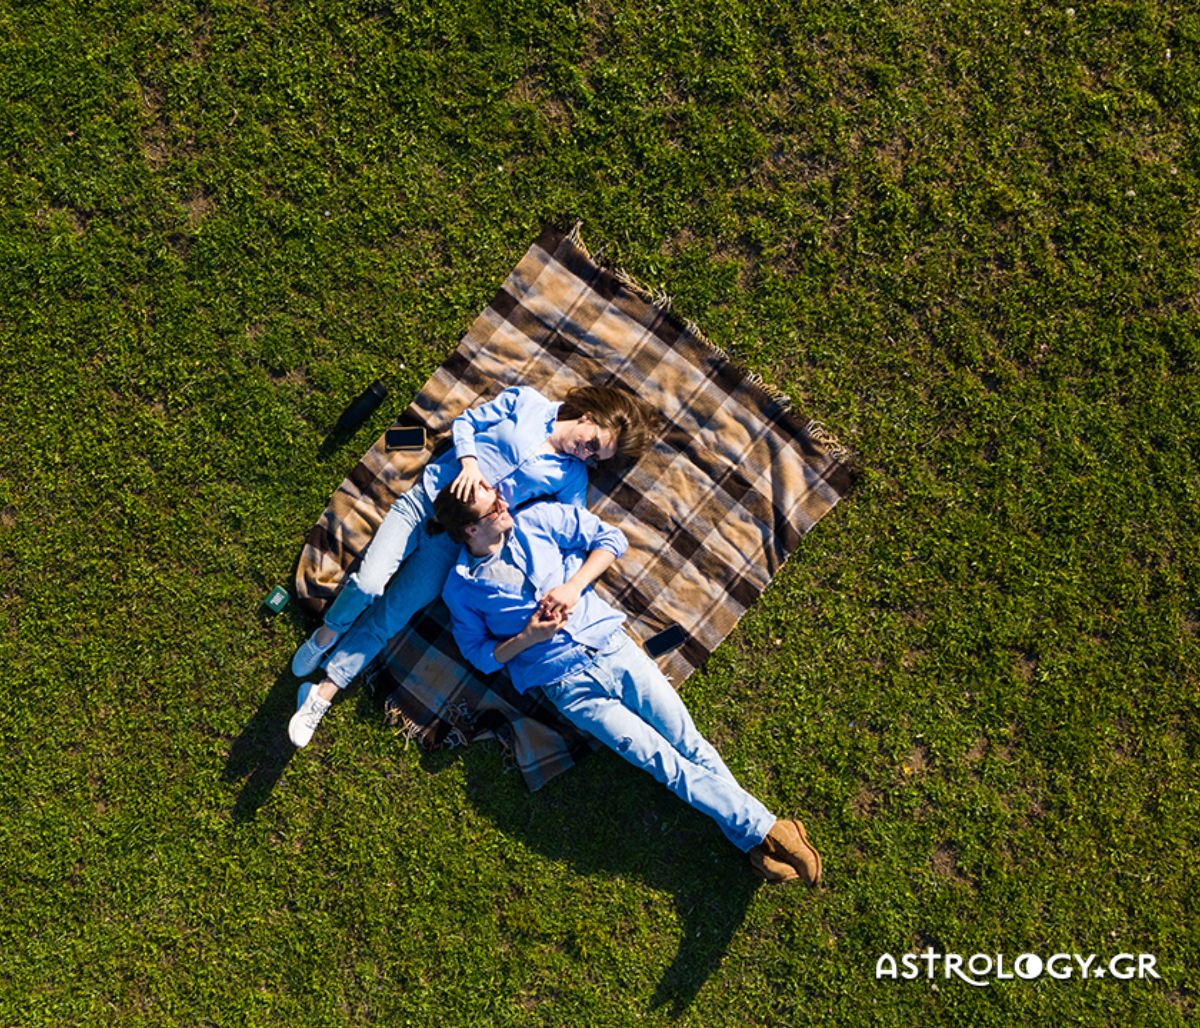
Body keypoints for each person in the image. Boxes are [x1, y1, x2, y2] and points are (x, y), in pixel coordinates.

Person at [425, 483, 822, 885]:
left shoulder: (537, 520)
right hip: (569, 687)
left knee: (688, 743)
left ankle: (757, 842)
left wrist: (573, 586)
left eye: (496, 495)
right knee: (663, 764)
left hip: (613, 648)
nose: (503, 503)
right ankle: (773, 832)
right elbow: (479, 655)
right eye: (492, 507)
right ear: (471, 530)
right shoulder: (461, 589)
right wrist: (528, 638)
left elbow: (609, 538)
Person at [288, 384, 651, 748]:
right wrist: (469, 465)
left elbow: (574, 527)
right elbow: (466, 424)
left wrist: (567, 583)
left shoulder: (572, 476)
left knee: (392, 616)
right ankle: (326, 636)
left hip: (454, 545)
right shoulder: (528, 403)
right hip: (424, 503)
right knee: (368, 584)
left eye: (594, 457)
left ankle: (322, 693)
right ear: (589, 417)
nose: (585, 454)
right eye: (592, 443)